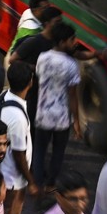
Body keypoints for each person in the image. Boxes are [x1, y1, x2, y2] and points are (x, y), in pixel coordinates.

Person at [35, 22, 83, 193]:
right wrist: (76, 121)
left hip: (42, 114)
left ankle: (37, 183)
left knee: (39, 150)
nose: (75, 43)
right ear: (63, 42)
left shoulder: (42, 57)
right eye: (72, 40)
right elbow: (72, 96)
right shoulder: (71, 65)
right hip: (61, 118)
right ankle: (50, 184)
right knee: (57, 153)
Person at [0, 61, 37, 214]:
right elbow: (19, 154)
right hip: (12, 181)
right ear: (30, 83)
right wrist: (31, 182)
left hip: (1, 174)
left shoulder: (5, 96)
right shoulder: (18, 117)